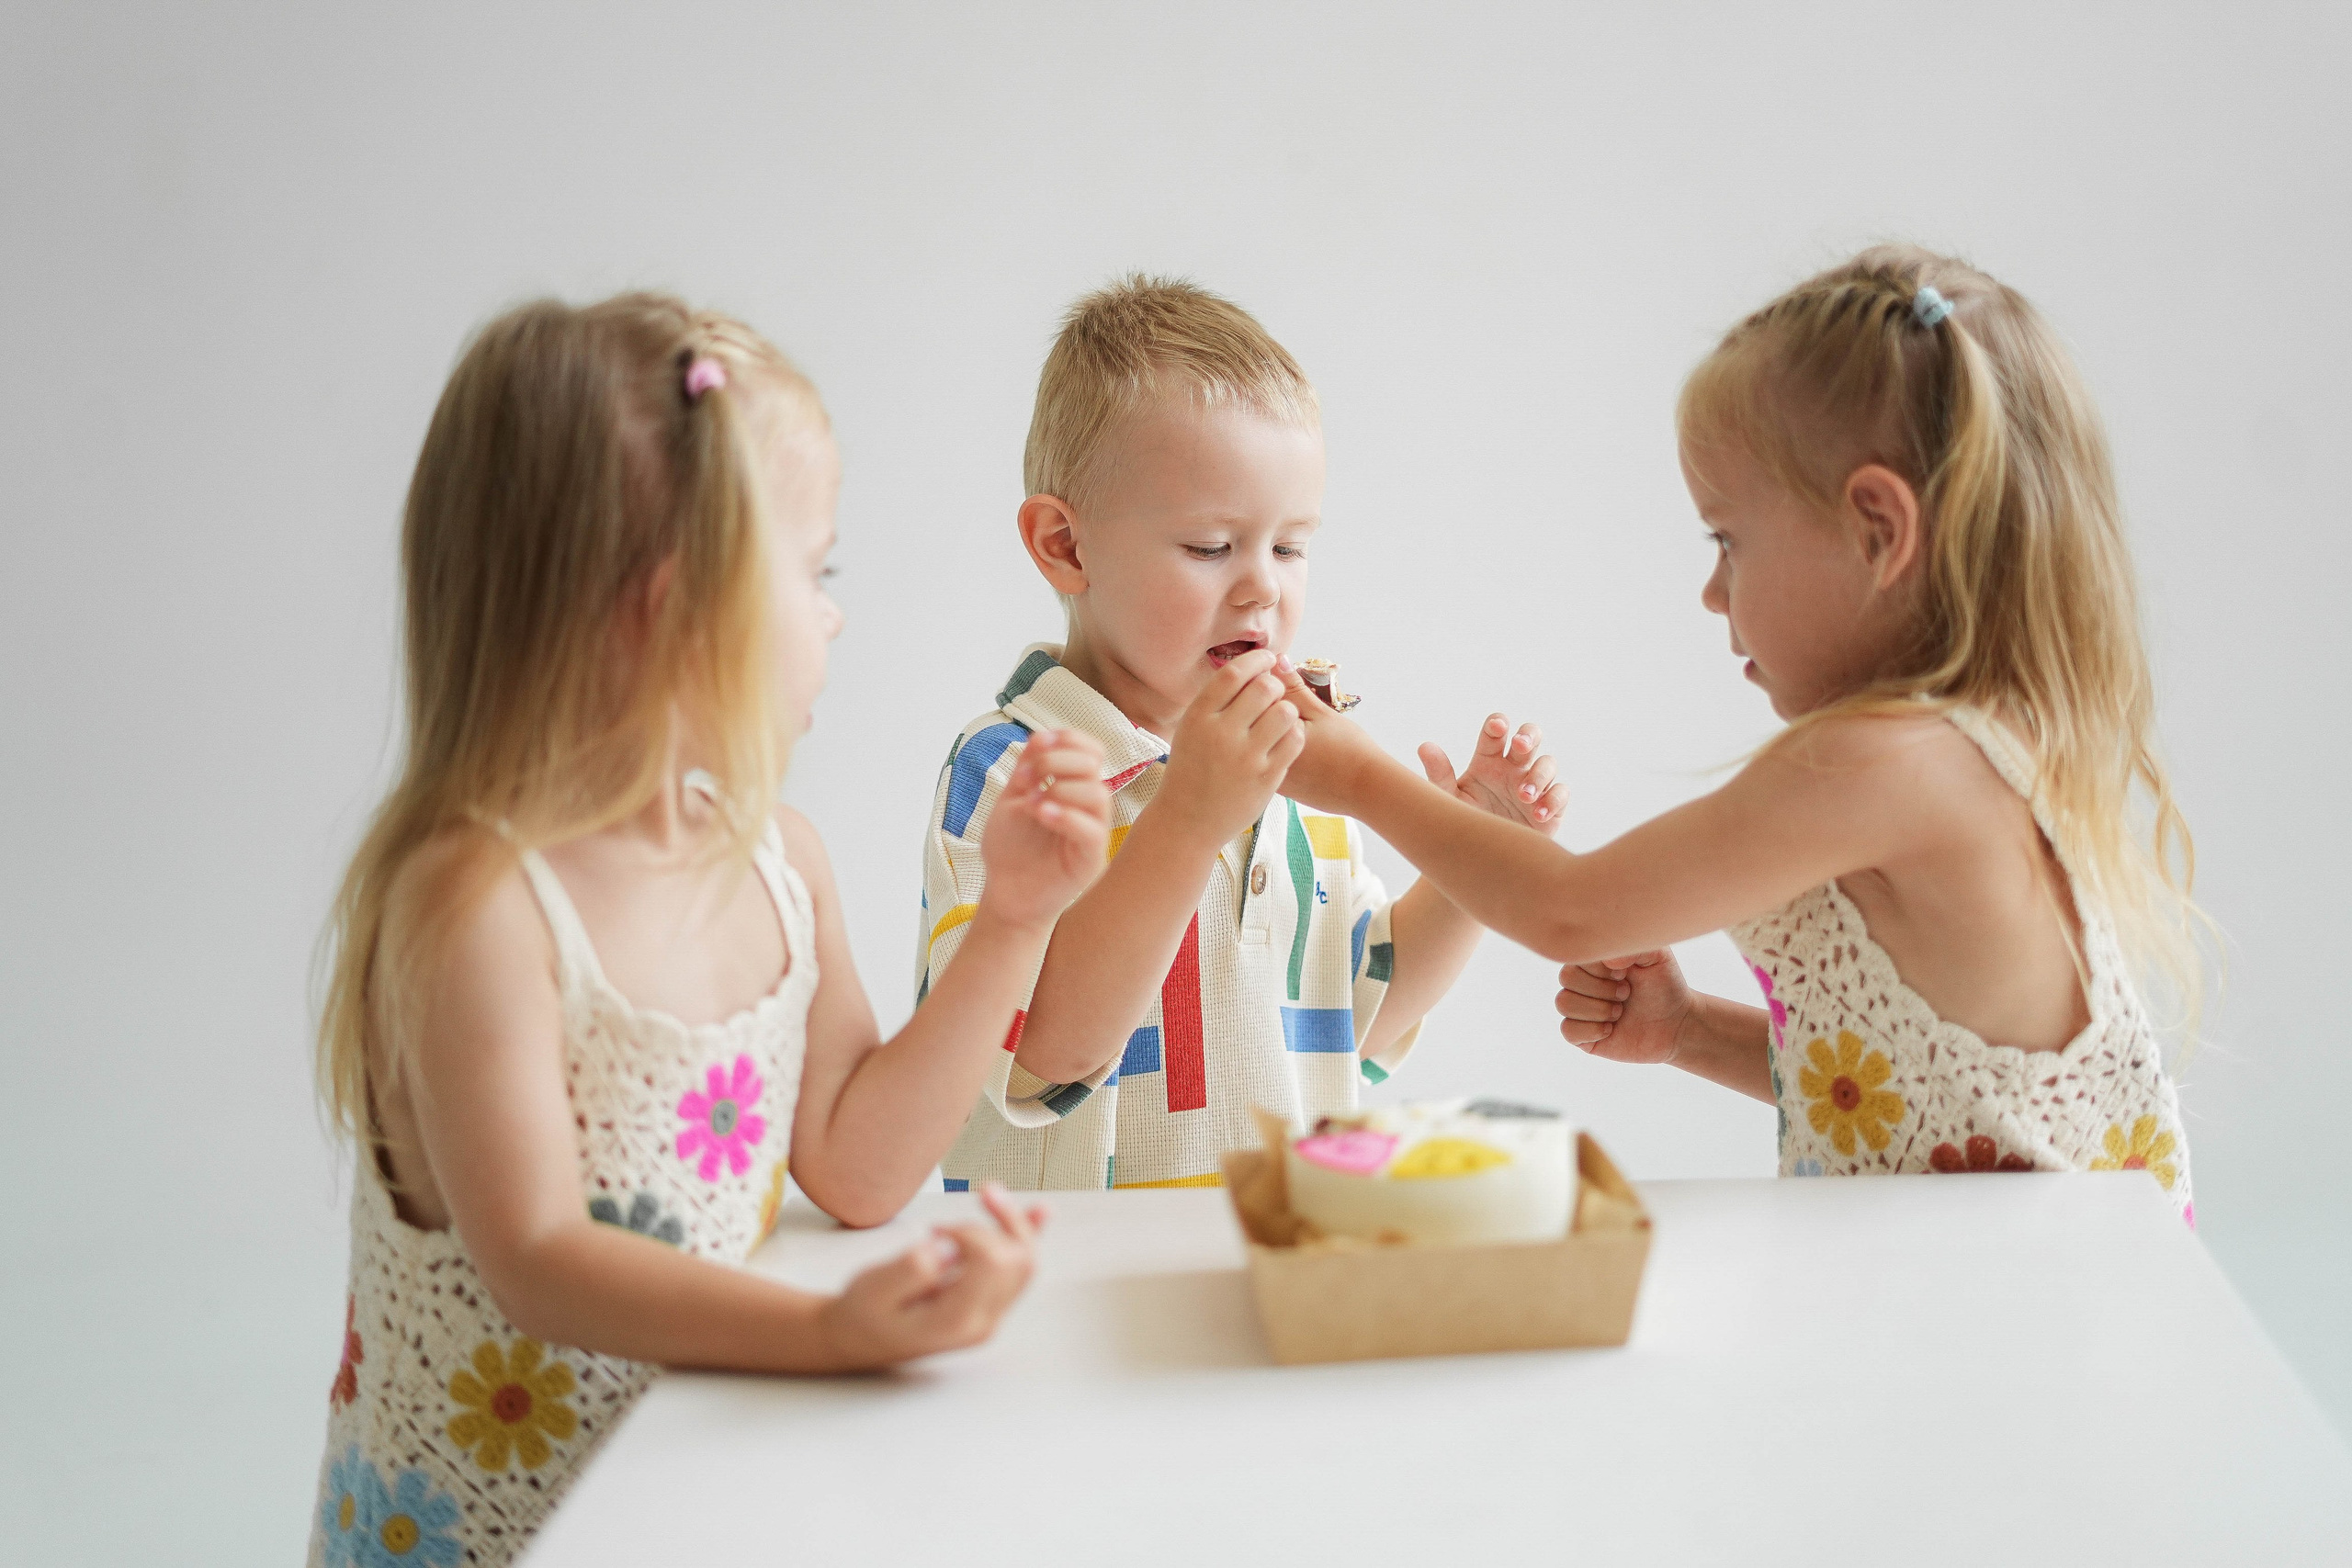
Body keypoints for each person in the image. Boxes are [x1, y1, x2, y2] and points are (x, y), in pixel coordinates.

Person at [308, 294, 1113, 1565]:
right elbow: (538, 1256)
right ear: (673, 607)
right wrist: (832, 1333)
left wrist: (1014, 921)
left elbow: (856, 1166)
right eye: (814, 571)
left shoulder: (777, 865)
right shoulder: (474, 905)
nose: (835, 612)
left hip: (676, 1504)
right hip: (486, 1534)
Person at [1275, 246, 2201, 1216]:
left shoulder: (1879, 762)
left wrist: (1358, 781)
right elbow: (1939, 1095)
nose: (1712, 590)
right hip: (2033, 1283)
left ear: (1878, 529)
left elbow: (1573, 912)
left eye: (1728, 539)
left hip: (2010, 1308)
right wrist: (1689, 1033)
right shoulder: (2002, 743)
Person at [921, 276, 1563, 1191]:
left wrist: (1471, 860)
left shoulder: (1307, 762)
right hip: (1060, 1288)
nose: (1263, 588)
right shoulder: (1015, 769)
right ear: (1066, 546)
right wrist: (1187, 819)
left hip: (1277, 1262)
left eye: (1289, 546)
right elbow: (1039, 1055)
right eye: (1212, 547)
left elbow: (1361, 1023)